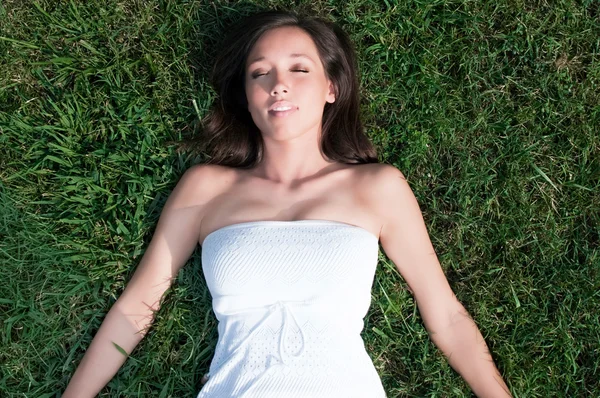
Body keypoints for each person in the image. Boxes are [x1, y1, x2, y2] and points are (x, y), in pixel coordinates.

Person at [63, 9, 512, 398]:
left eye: (299, 69)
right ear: (247, 95)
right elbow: (136, 307)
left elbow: (447, 316)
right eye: (260, 73)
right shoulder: (207, 189)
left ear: (331, 87)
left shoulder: (377, 187)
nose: (278, 85)